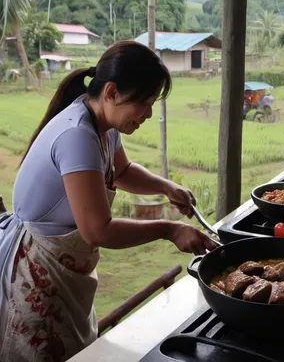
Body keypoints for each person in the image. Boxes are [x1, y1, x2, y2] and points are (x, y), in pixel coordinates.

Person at [0, 41, 216, 361]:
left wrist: (168, 188)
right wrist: (169, 229)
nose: (148, 113)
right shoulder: (77, 135)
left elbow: (123, 170)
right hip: (36, 270)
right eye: (143, 102)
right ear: (112, 92)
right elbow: (98, 231)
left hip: (64, 270)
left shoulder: (103, 123)